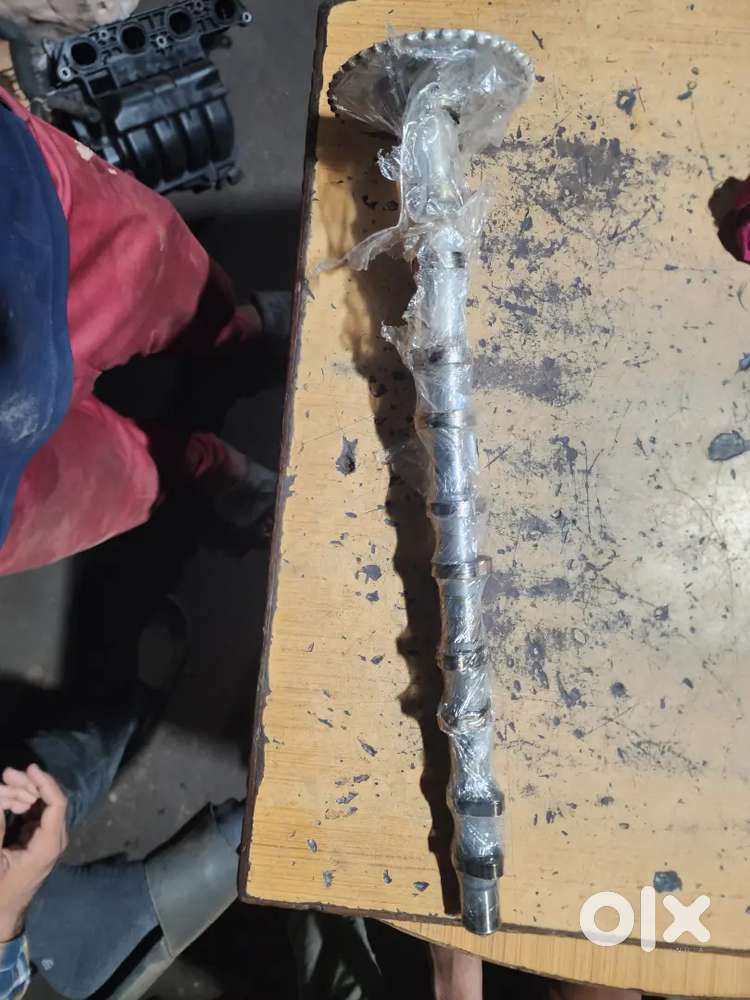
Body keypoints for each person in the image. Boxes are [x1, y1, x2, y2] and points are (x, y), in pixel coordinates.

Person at [0, 84, 282, 577]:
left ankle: (232, 329)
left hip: (22, 210)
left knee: (164, 276)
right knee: (98, 482)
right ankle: (201, 463)